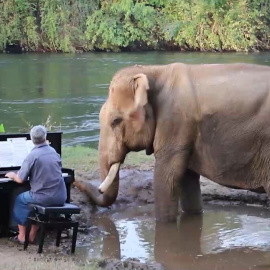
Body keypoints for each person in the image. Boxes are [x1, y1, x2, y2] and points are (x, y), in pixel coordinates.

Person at [5, 125, 67, 244]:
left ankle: (22, 236)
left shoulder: (32, 155)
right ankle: (32, 235)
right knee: (35, 203)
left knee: (20, 199)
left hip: (44, 197)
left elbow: (20, 179)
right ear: (45, 137)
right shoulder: (53, 152)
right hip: (60, 196)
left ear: (31, 139)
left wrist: (12, 175)